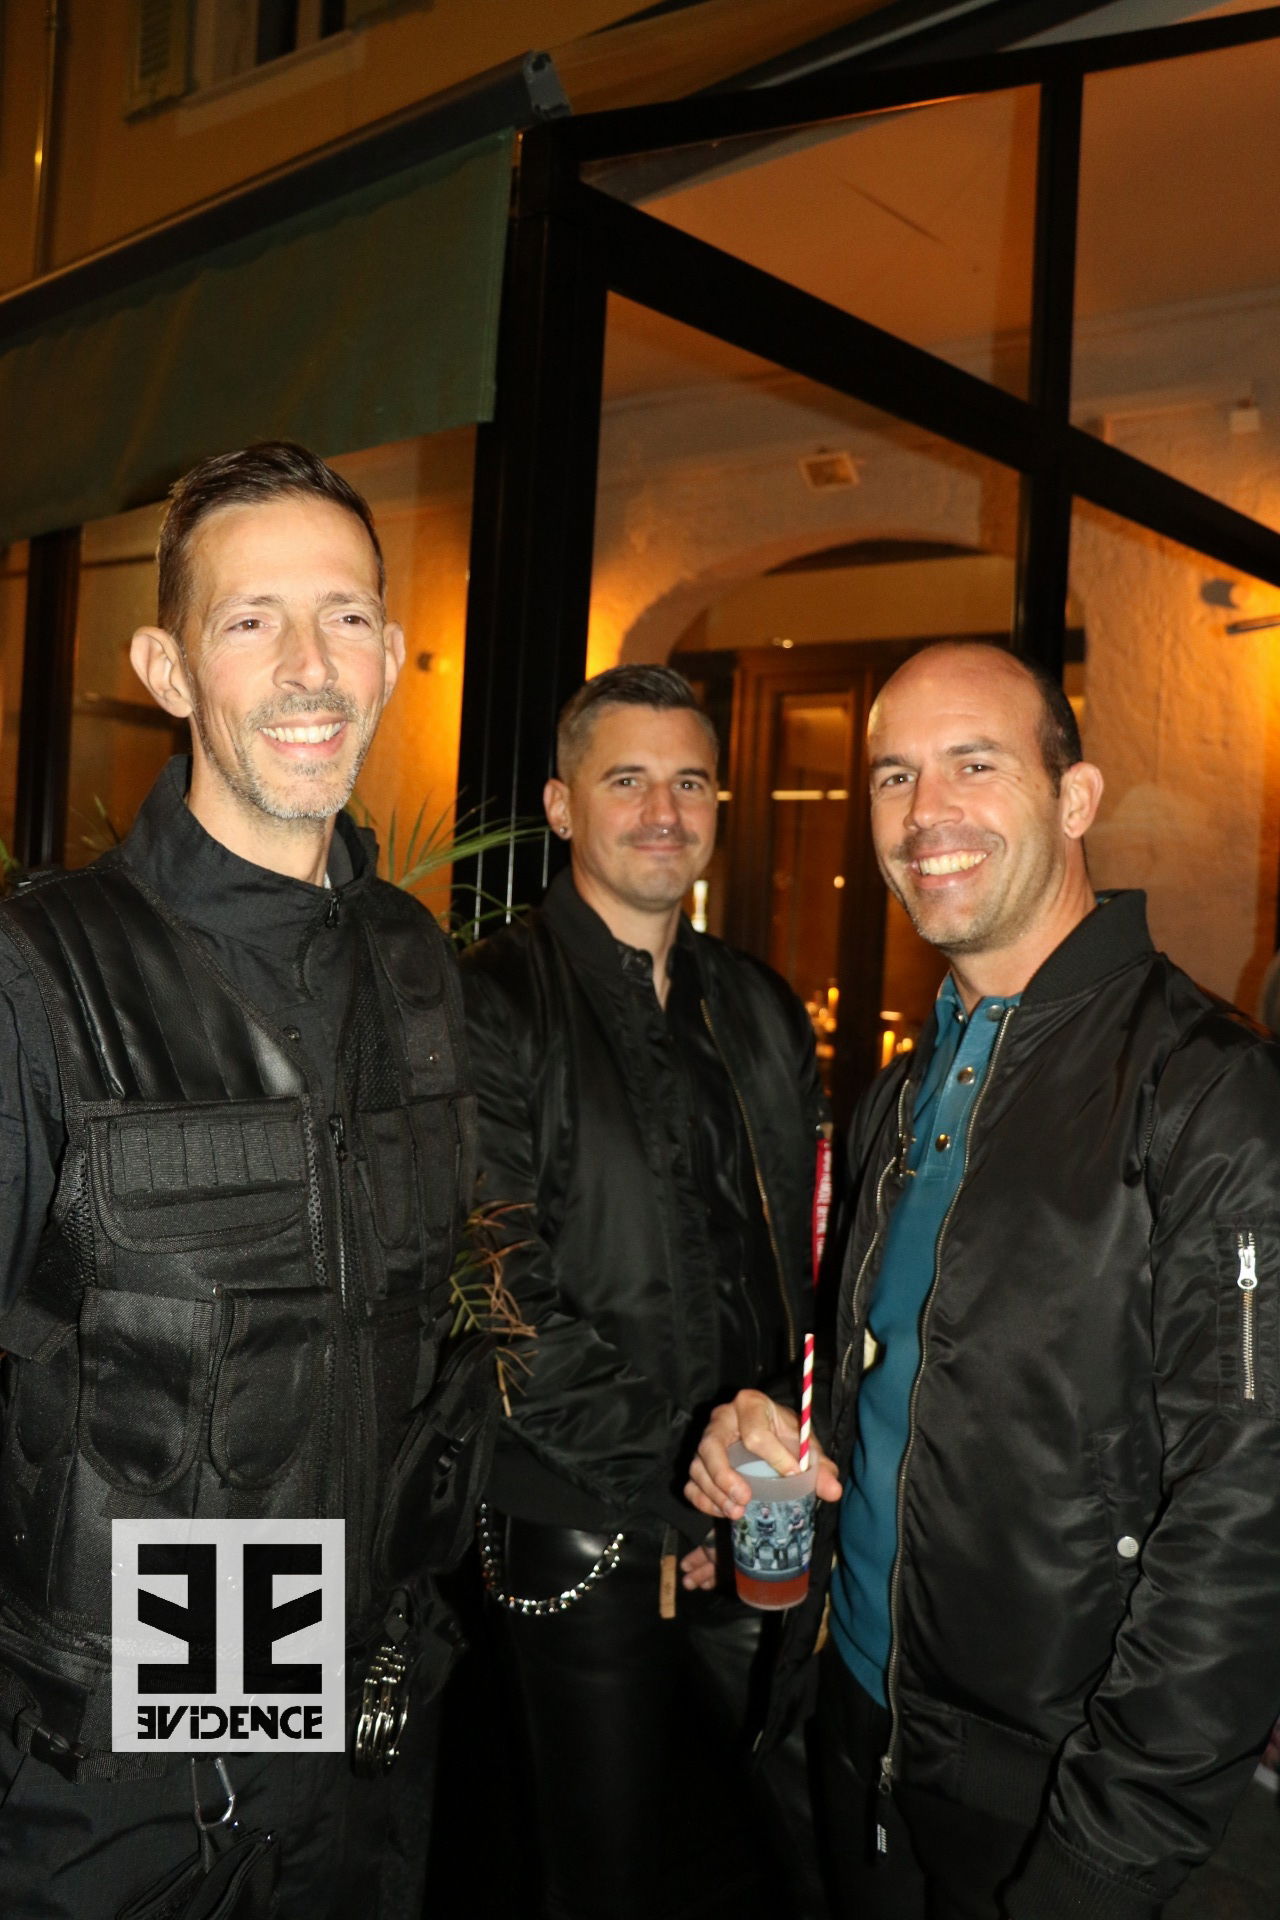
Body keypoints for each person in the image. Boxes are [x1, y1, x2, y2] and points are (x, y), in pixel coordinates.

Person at [688, 640, 1280, 1920]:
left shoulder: (1205, 1091)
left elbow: (1245, 1514)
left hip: (1048, 1790)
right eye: (892, 775)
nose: (924, 814)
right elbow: (903, 1380)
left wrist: (1106, 1852)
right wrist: (766, 1430)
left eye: (973, 764)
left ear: (1074, 799)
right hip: (851, 1719)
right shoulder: (903, 1092)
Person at [0, 442, 484, 1918]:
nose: (308, 666)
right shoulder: (41, 973)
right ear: (167, 668)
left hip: (373, 1728)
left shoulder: (415, 964)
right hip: (125, 1778)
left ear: (391, 654)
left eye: (344, 616)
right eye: (250, 619)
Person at [459, 665, 828, 1920]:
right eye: (627, 781)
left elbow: (799, 1267)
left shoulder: (761, 1007)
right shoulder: (489, 1002)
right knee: (601, 1873)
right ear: (562, 806)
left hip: (754, 1505)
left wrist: (752, 1464)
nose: (662, 812)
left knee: (803, 1849)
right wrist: (684, 1472)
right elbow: (498, 1305)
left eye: (688, 782)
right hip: (577, 1518)